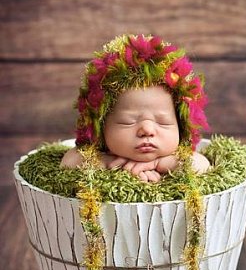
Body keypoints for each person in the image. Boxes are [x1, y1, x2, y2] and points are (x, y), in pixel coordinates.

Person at [61, 34, 210, 181]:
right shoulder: (100, 153)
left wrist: (159, 163)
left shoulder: (176, 157)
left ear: (182, 125)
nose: (147, 130)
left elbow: (202, 165)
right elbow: (67, 163)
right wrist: (106, 162)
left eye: (163, 121)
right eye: (128, 121)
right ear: (100, 127)